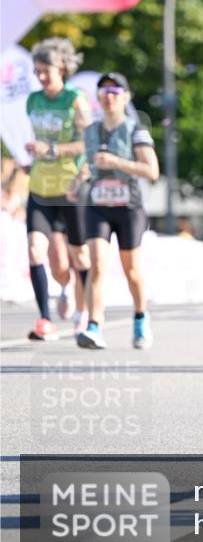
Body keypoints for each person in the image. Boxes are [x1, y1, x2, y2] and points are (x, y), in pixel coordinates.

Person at [69, 73, 159, 350]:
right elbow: (88, 165)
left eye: (115, 91)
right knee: (96, 264)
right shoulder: (90, 131)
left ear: (126, 97)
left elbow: (152, 171)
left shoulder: (136, 130)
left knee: (131, 270)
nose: (109, 96)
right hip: (98, 206)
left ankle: (141, 318)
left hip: (129, 207)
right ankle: (94, 326)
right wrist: (77, 180)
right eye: (104, 92)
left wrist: (118, 162)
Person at [24, 38, 91, 341]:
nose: (40, 77)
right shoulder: (33, 101)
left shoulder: (75, 100)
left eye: (45, 71)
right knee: (37, 252)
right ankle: (44, 318)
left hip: (70, 188)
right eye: (36, 71)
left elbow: (87, 143)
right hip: (39, 189)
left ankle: (85, 311)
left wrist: (51, 150)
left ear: (62, 67)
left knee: (77, 258)